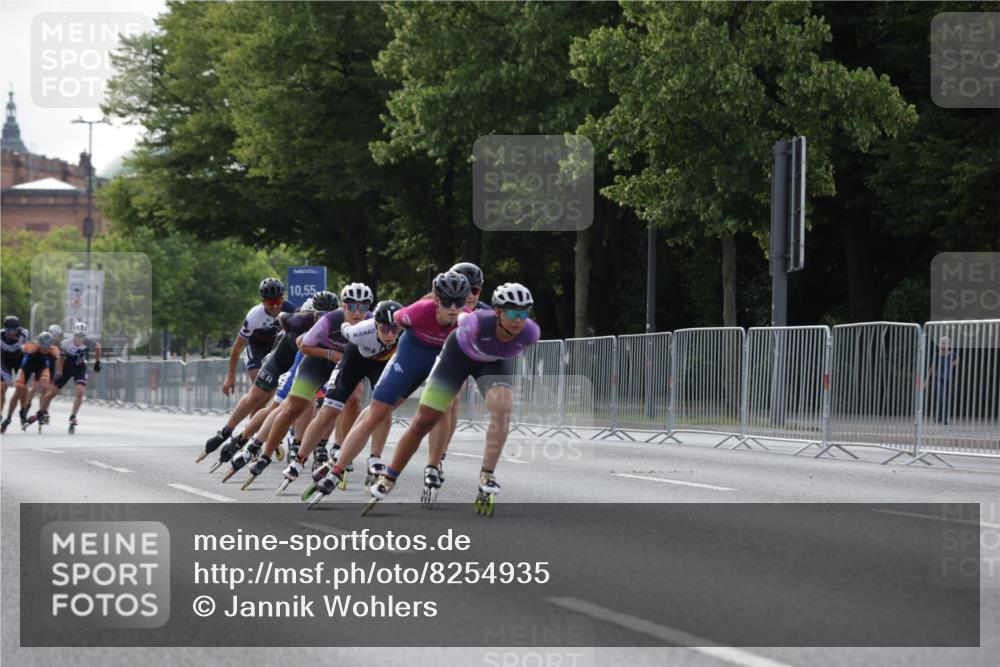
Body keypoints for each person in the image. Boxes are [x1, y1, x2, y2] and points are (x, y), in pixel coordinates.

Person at [363, 283, 539, 517]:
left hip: (491, 362)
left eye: (524, 313)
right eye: (513, 313)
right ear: (497, 312)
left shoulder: (530, 333)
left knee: (503, 408)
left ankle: (487, 473)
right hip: (458, 358)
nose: (519, 320)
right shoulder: (473, 322)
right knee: (424, 421)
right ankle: (390, 476)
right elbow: (457, 317)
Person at [310, 271, 471, 501]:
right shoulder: (417, 311)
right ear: (436, 300)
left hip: (440, 363)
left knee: (442, 407)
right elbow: (384, 325)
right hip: (408, 360)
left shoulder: (468, 319)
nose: (453, 308)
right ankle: (337, 468)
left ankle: (434, 465)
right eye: (447, 302)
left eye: (459, 302)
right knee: (376, 413)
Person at [221, 283, 373, 482]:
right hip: (311, 357)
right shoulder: (322, 319)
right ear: (343, 307)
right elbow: (301, 343)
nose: (357, 313)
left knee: (351, 399)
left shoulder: (372, 322)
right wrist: (328, 352)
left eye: (363, 307)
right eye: (352, 307)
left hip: (344, 363)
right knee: (289, 407)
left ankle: (334, 447)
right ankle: (259, 449)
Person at [264, 300, 403, 495]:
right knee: (329, 412)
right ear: (376, 325)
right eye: (385, 329)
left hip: (380, 364)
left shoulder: (404, 334)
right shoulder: (359, 330)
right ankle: (300, 459)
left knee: (384, 406)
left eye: (394, 330)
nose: (390, 335)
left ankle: (375, 458)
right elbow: (342, 328)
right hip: (353, 362)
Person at [196, 291, 338, 464]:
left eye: (329, 316)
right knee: (258, 397)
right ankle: (229, 433)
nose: (325, 320)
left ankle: (294, 440)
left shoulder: (335, 325)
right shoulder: (297, 319)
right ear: (312, 314)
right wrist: (230, 377)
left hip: (303, 360)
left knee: (304, 402)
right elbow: (281, 320)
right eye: (321, 316)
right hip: (282, 355)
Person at [222, 277, 295, 395]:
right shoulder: (254, 317)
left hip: (276, 347)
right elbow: (237, 346)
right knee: (261, 389)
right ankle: (254, 411)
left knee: (276, 388)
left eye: (278, 301)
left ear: (283, 299)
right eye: (271, 302)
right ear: (263, 301)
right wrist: (230, 377)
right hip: (256, 347)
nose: (275, 306)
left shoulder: (291, 311)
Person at [39, 321, 102, 433]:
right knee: (48, 395)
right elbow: (60, 359)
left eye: (82, 336)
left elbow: (98, 347)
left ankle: (73, 416)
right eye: (78, 336)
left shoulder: (88, 342)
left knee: (80, 392)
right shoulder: (65, 344)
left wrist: (98, 362)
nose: (80, 339)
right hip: (66, 369)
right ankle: (43, 412)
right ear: (74, 335)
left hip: (79, 369)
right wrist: (59, 372)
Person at [15, 331, 61, 430]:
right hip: (33, 368)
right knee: (35, 388)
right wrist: (23, 349)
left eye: (48, 346)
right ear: (39, 343)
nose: (45, 348)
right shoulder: (32, 347)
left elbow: (61, 359)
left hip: (47, 370)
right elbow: (20, 348)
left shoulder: (54, 350)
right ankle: (27, 405)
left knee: (46, 390)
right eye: (43, 345)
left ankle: (43, 411)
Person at [1, 315, 29, 432]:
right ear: (5, 329)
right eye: (9, 330)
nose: (12, 333)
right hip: (5, 362)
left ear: (18, 329)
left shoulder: (24, 334)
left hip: (20, 362)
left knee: (22, 387)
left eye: (14, 330)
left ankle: (23, 410)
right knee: (2, 387)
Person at [928, 336, 960, 425]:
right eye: (941, 343)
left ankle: (943, 418)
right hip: (938, 378)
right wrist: (927, 380)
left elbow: (957, 359)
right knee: (941, 398)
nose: (943, 345)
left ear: (949, 345)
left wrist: (951, 365)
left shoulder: (952, 353)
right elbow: (932, 367)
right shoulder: (937, 355)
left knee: (946, 399)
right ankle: (938, 417)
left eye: (945, 343)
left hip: (948, 379)